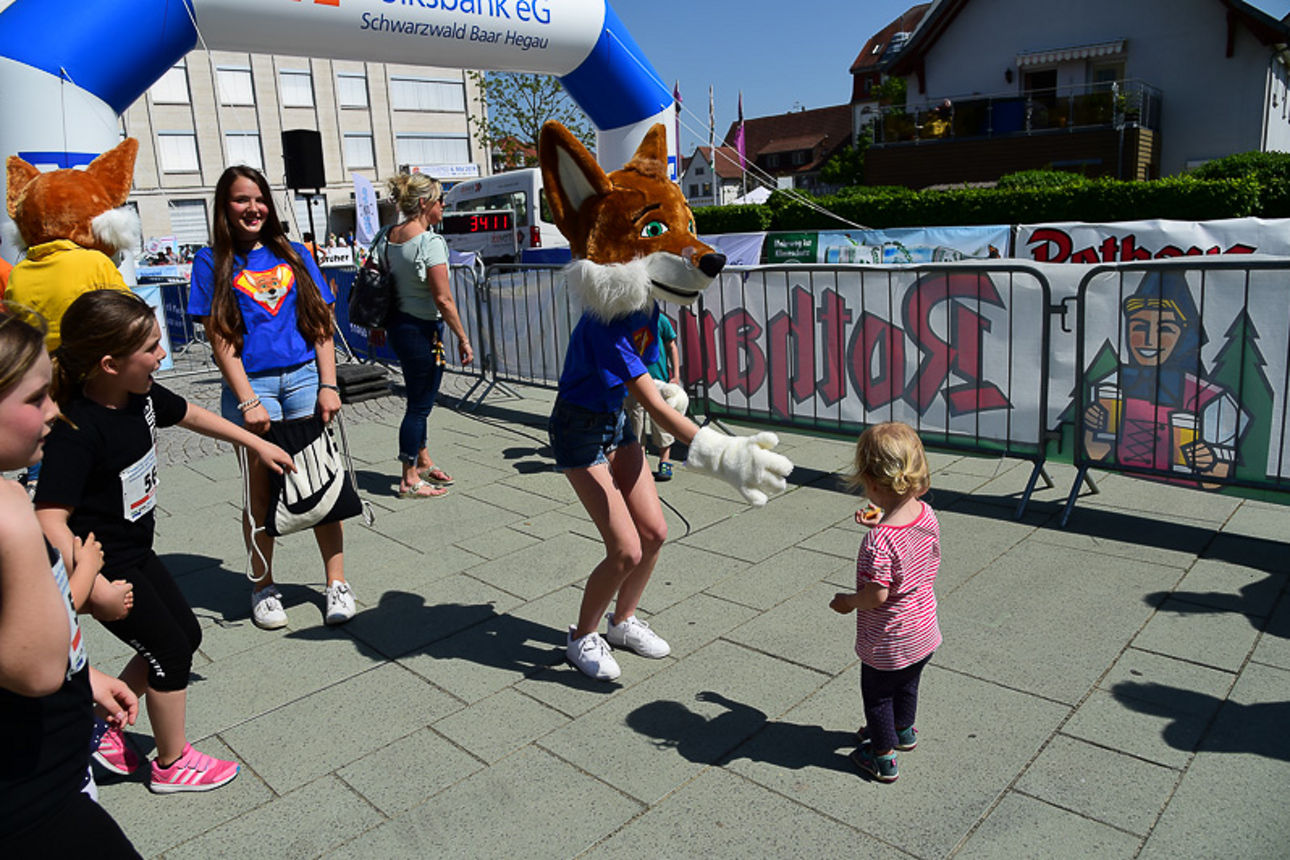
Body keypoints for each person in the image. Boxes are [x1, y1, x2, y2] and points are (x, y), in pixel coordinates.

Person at [36, 290, 295, 793]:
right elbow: (48, 517)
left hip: (136, 550)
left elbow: (191, 414)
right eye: (151, 348)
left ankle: (101, 722)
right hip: (107, 564)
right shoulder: (77, 429)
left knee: (185, 635)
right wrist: (94, 586)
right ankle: (172, 763)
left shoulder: (142, 396)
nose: (161, 355)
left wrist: (255, 441)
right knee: (170, 651)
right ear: (110, 364)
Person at [187, 165, 357, 630]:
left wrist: (328, 384)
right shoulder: (210, 261)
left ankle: (336, 582)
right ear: (224, 207)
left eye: (259, 198)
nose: (253, 208)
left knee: (321, 481)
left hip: (304, 379)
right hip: (252, 386)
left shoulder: (294, 253)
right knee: (259, 493)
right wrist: (247, 400)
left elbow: (320, 323)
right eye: (241, 200)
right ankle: (262, 586)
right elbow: (220, 337)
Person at [0, 301, 141, 855]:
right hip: (32, 804)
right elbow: (36, 671)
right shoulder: (8, 514)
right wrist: (19, 518)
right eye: (36, 398)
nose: (55, 411)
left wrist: (84, 677)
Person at [829, 422, 941, 783]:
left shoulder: (877, 544)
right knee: (908, 684)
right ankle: (904, 731)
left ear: (872, 483)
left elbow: (876, 595)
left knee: (878, 697)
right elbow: (912, 549)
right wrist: (885, 520)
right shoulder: (926, 514)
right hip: (923, 631)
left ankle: (882, 756)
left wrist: (848, 601)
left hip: (889, 640)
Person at [381, 171, 474, 499]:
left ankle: (422, 460)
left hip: (397, 326)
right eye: (440, 201)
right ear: (424, 203)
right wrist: (463, 337)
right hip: (422, 330)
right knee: (419, 406)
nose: (444, 206)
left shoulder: (387, 235)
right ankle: (409, 479)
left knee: (417, 398)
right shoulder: (429, 242)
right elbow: (443, 299)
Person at [623, 311, 685, 481]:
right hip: (633, 380)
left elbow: (671, 346)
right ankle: (640, 461)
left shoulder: (660, 319)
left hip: (658, 379)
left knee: (661, 421)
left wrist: (676, 375)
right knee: (635, 420)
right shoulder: (624, 319)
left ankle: (665, 461)